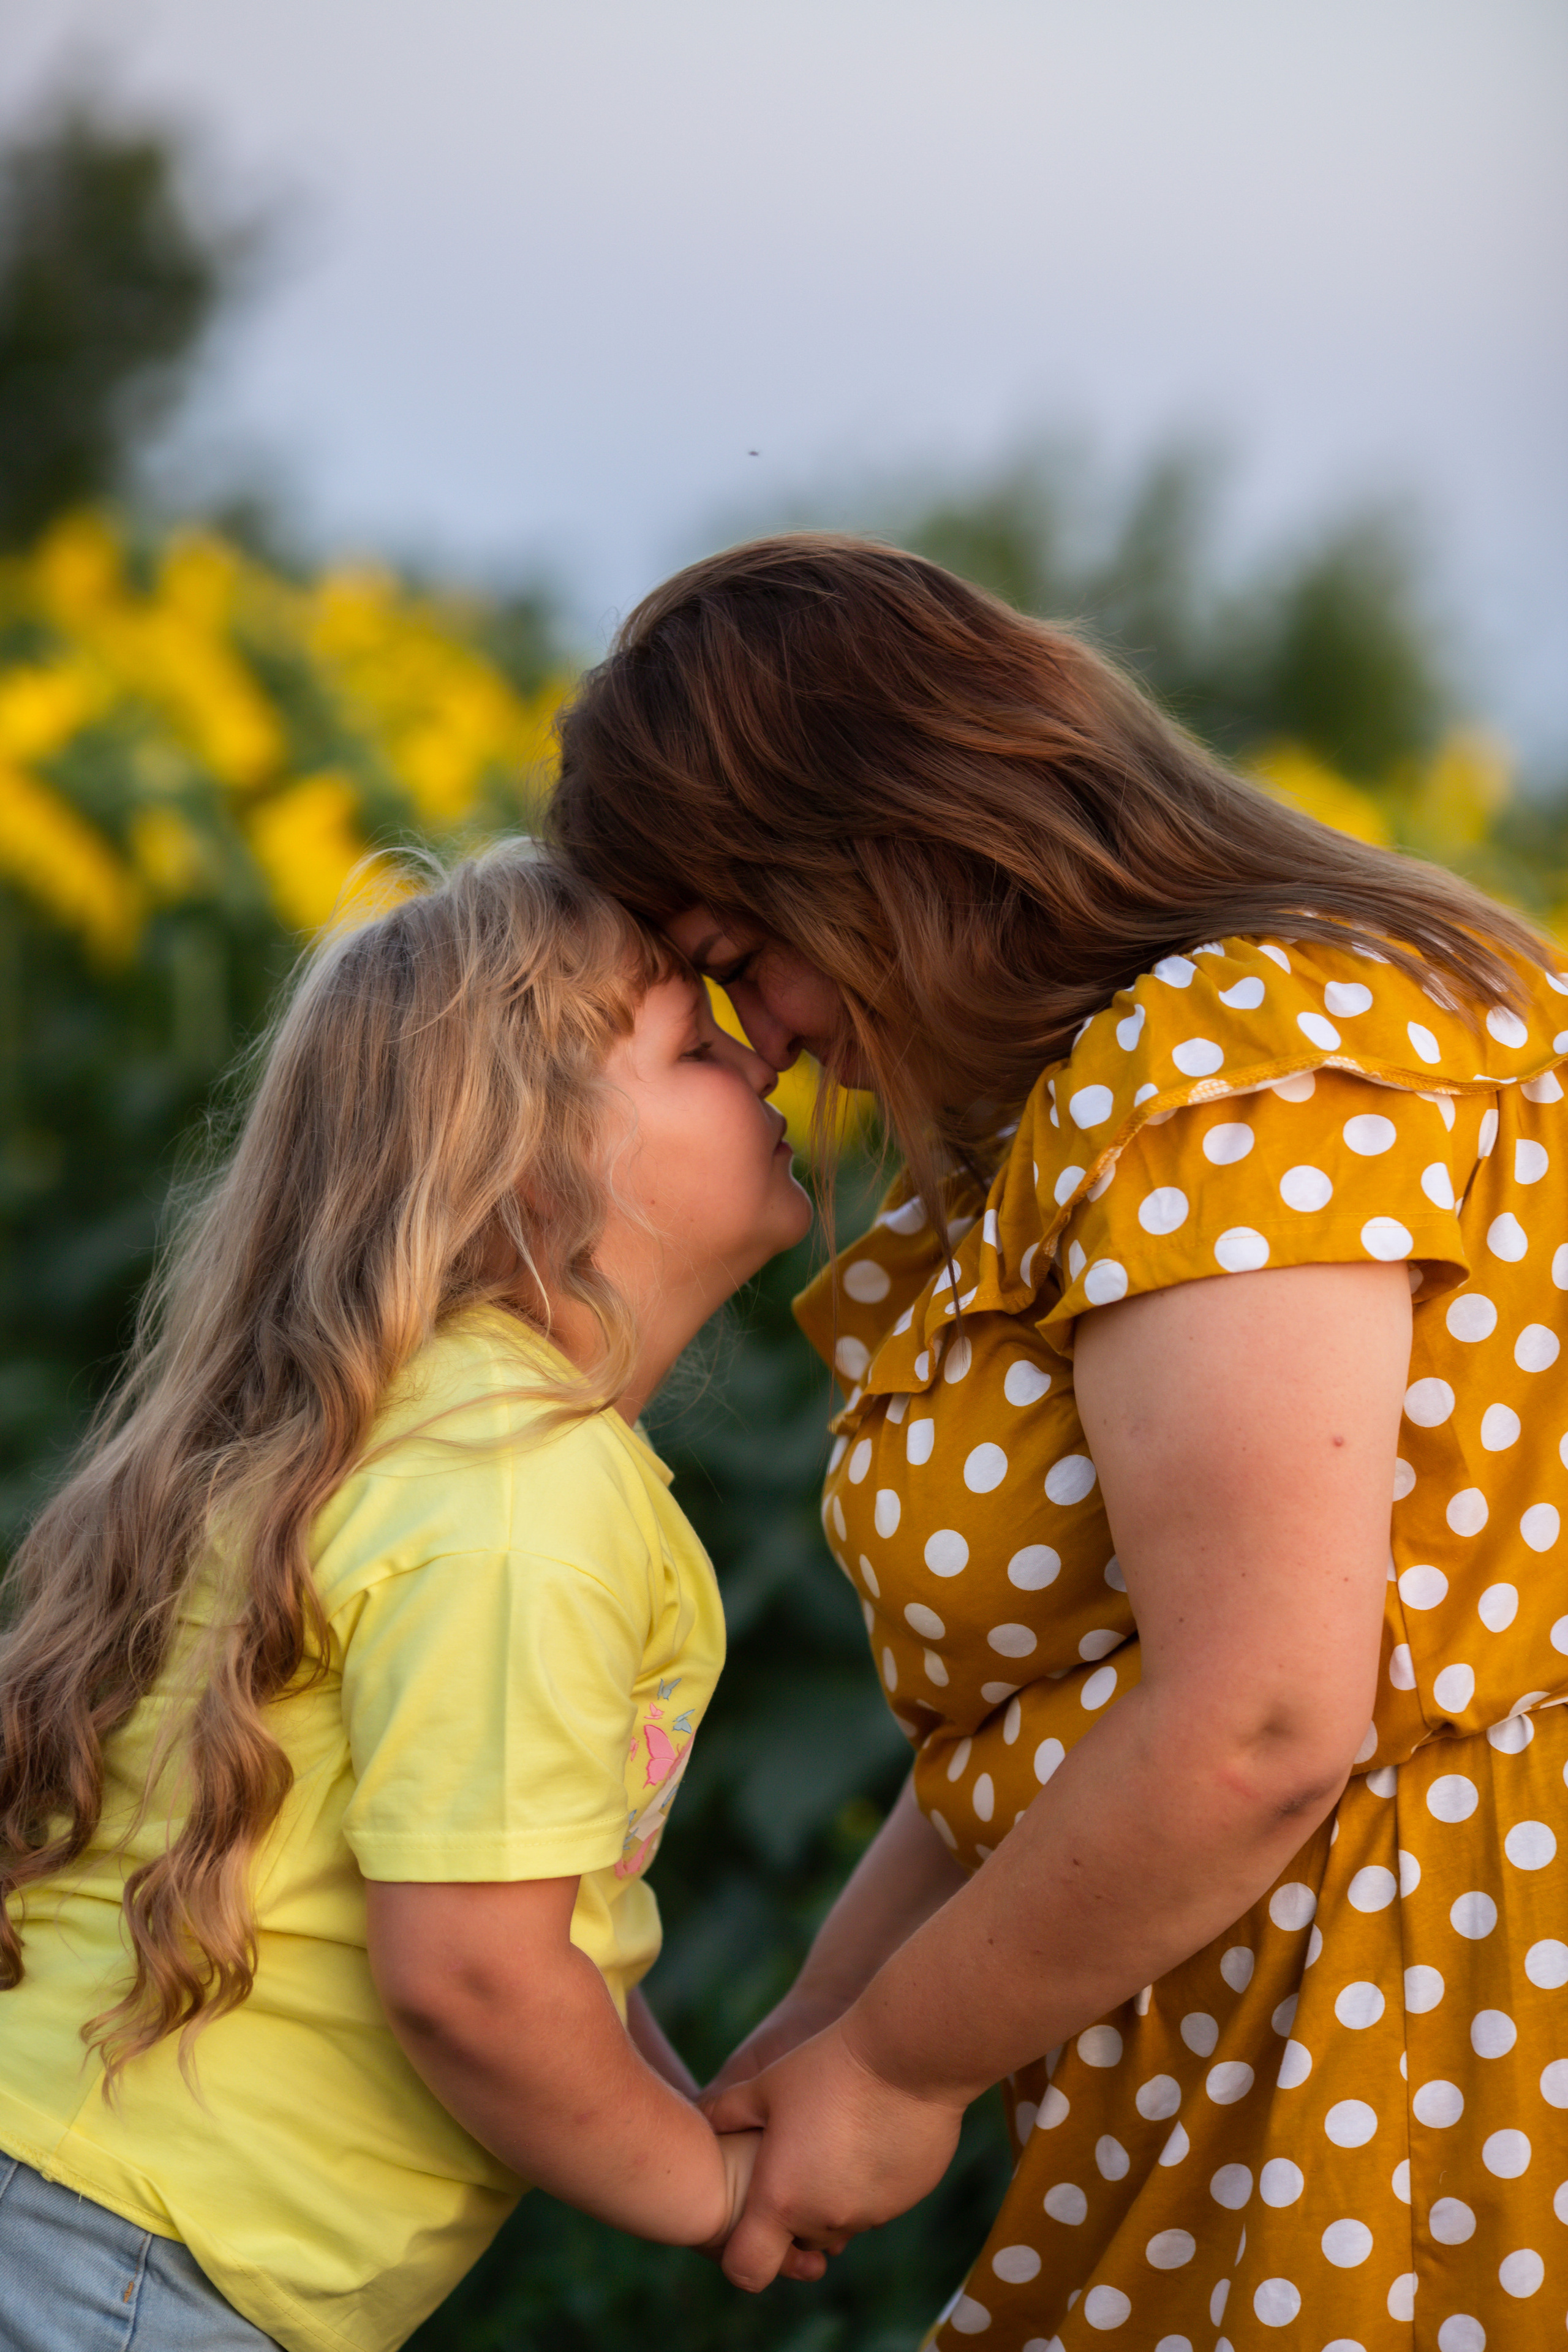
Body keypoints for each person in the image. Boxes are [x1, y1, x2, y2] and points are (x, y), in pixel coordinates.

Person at [551, 534, 1568, 2349]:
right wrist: (830, 2030)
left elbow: (1258, 1720)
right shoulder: (1132, 1101)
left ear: (877, 842)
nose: (767, 1044)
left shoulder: (1231, 1056)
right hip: (1286, 2034)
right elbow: (1054, 1725)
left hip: (1418, 2045)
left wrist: (906, 2068)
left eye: (743, 958)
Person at [0, 845, 819, 2352]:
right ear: (530, 1162)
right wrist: (707, 2189)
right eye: (696, 1046)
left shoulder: (427, 1436)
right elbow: (474, 1979)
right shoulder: (521, 1492)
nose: (763, 1049)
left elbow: (539, 1910)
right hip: (128, 2276)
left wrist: (674, 2102)